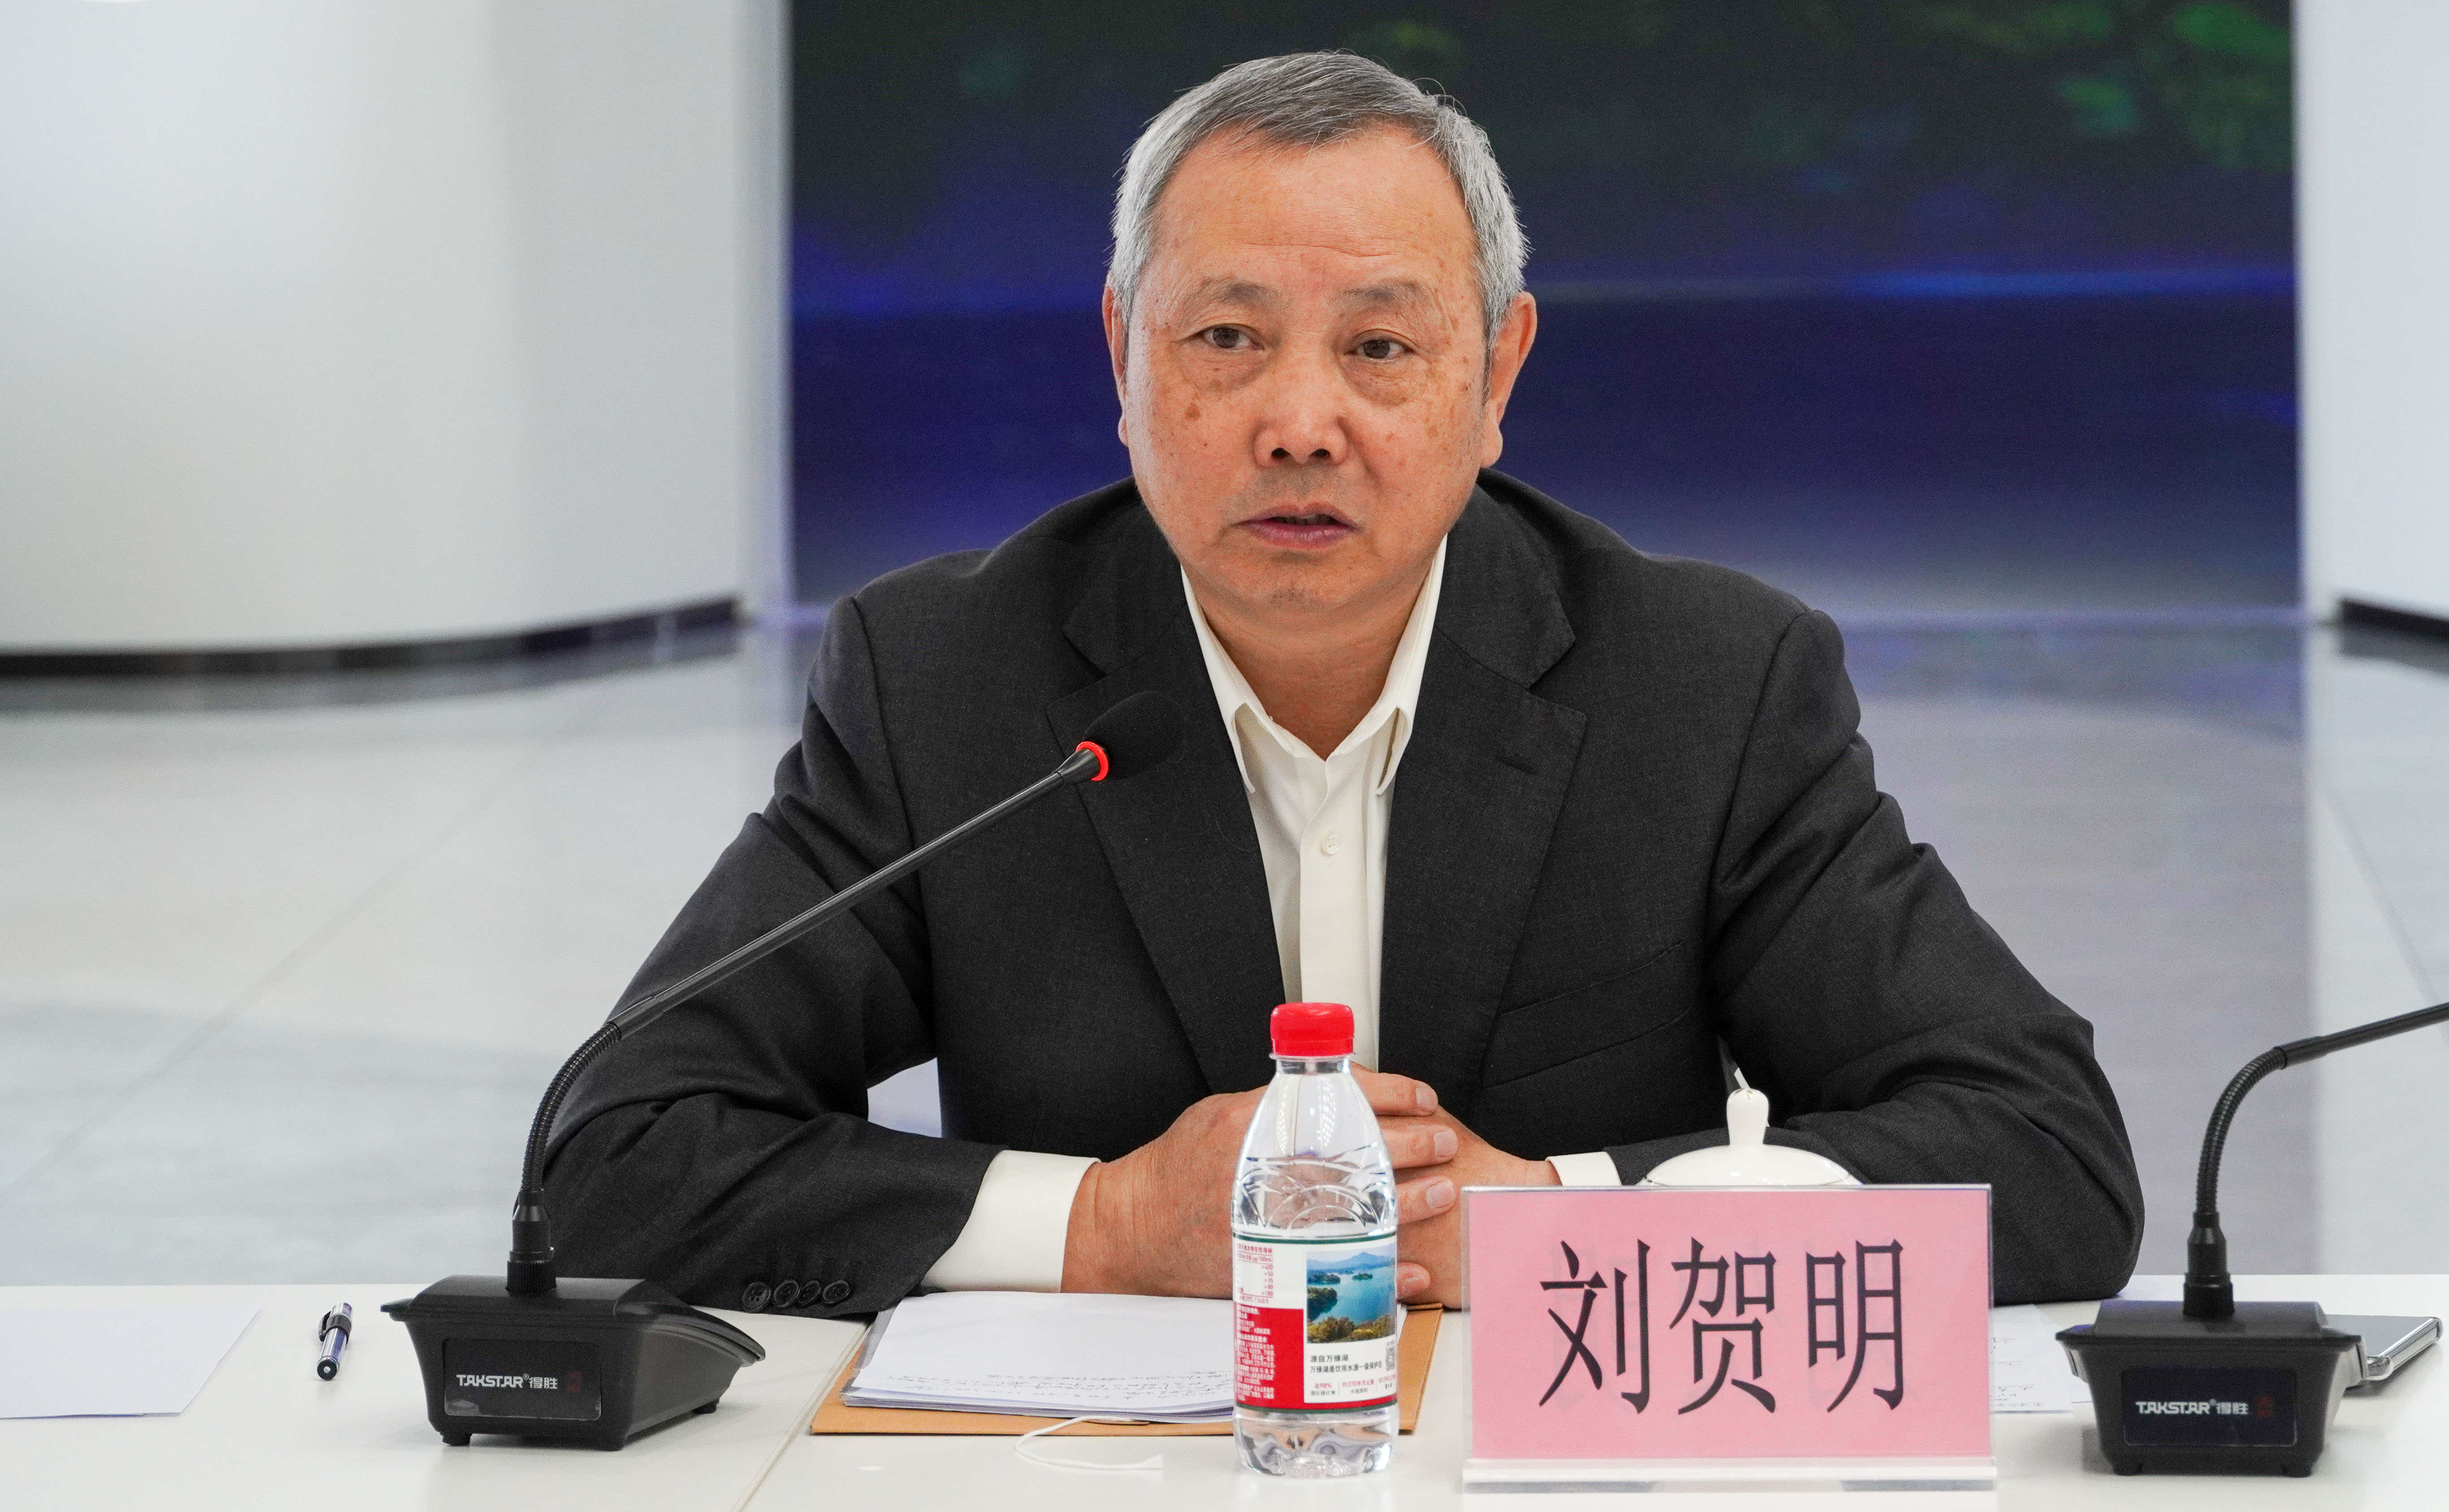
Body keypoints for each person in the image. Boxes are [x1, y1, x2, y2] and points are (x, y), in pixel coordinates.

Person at [547, 52, 2141, 1316]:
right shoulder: (946, 682)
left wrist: (1549, 1222)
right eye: (1227, 339)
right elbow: (615, 1157)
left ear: (1498, 373)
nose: (1300, 424)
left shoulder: (1705, 687)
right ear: (1122, 359)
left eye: (1380, 349)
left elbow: (2046, 1152)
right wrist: (1108, 1224)